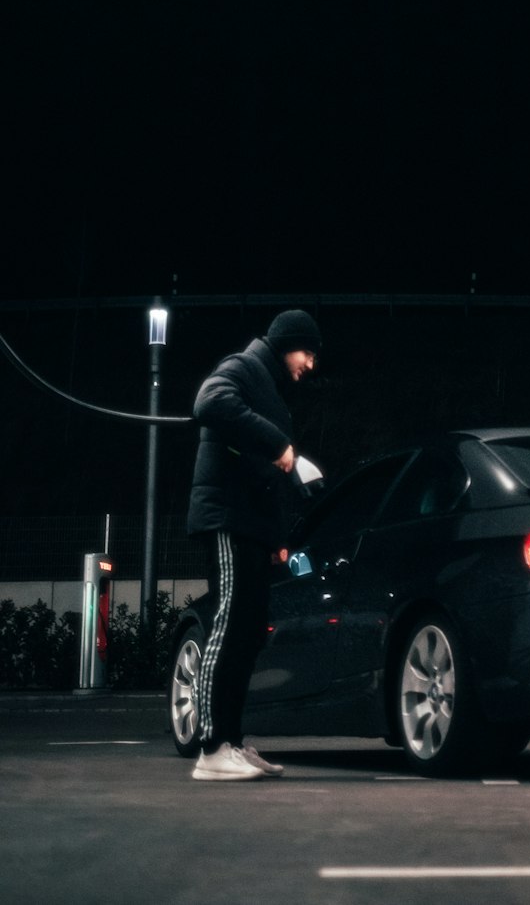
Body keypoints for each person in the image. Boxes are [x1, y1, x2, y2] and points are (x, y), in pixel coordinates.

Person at [186, 308, 322, 780]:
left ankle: (232, 743)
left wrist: (277, 540)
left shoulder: (272, 391)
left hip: (252, 528)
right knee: (227, 623)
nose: (310, 364)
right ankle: (210, 748)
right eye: (307, 352)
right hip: (225, 518)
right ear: (288, 344)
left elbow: (266, 478)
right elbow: (209, 401)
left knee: (248, 632)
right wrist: (277, 443)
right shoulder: (244, 367)